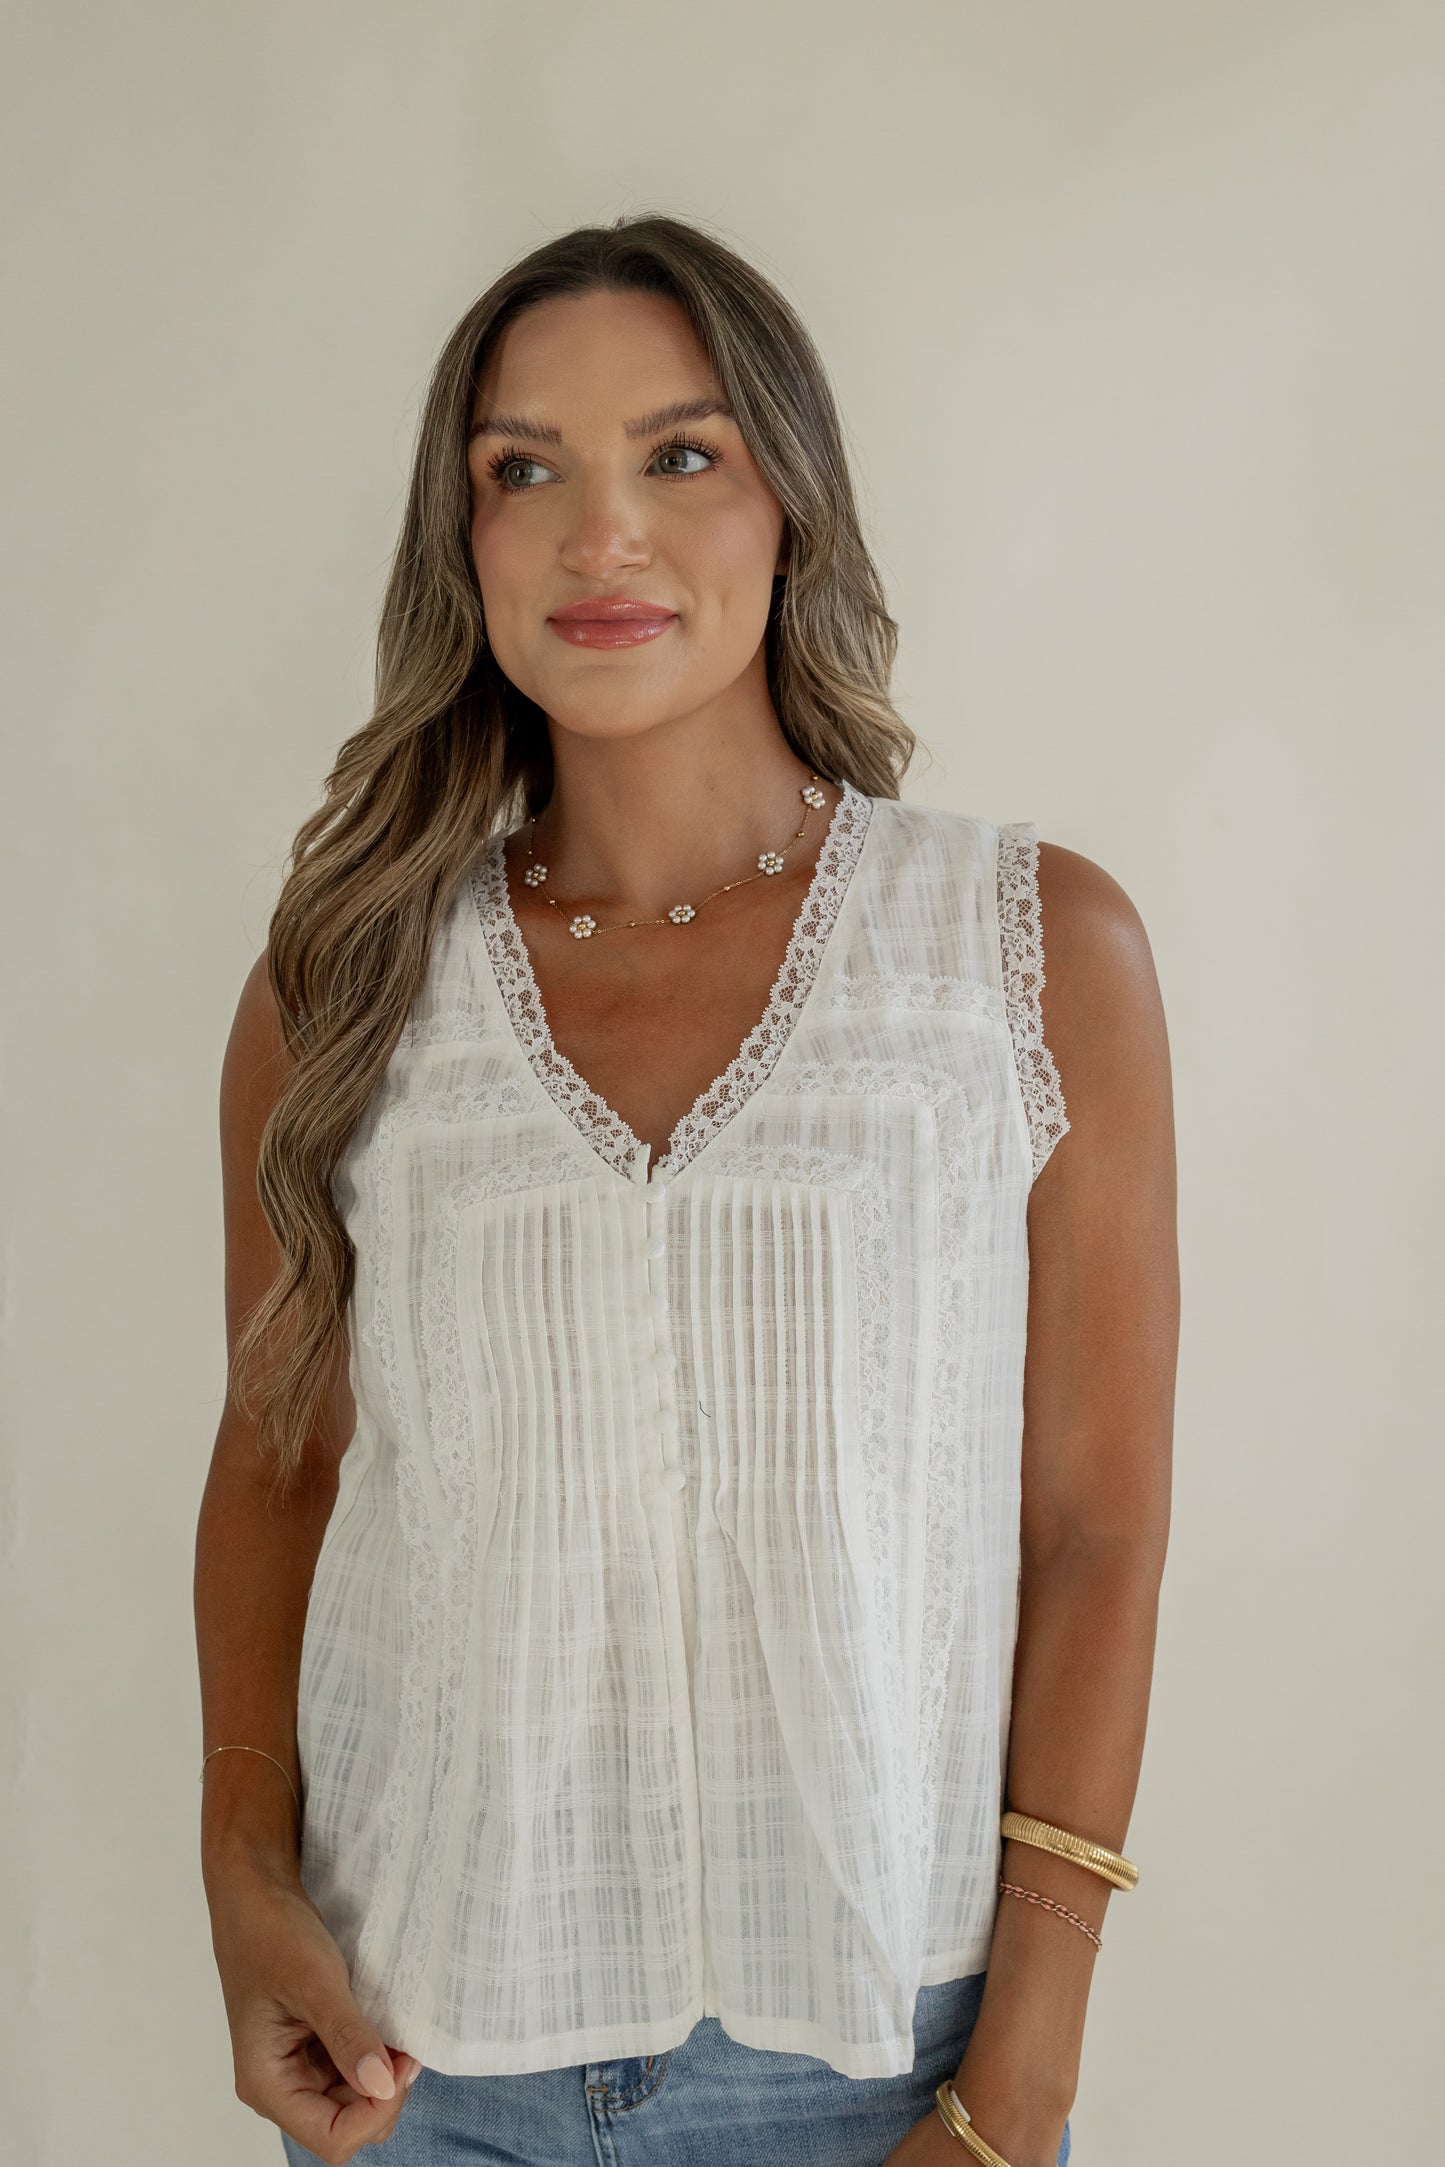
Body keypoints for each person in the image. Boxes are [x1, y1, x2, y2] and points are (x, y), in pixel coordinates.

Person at [196, 214, 1177, 2167]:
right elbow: (281, 1461)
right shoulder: (346, 982)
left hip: (878, 2065)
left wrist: (1024, 2077)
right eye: (524, 468)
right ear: (462, 539)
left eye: (679, 453)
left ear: (789, 505)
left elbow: (1088, 1524)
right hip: (414, 2061)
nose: (602, 532)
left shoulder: (1019, 951)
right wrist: (240, 1880)